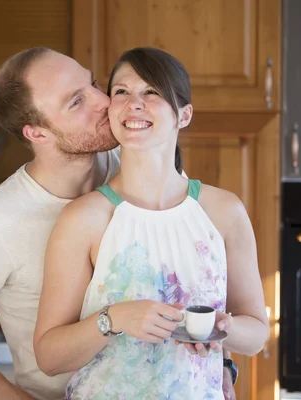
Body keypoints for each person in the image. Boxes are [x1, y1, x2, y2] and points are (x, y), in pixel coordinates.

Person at [0, 47, 238, 400]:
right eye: (76, 102)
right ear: (37, 133)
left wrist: (223, 364)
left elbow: (196, 277)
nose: (103, 100)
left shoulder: (135, 157)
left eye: (93, 83)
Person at [33, 48, 268, 399]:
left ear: (184, 115)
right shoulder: (84, 218)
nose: (134, 103)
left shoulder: (224, 211)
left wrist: (222, 329)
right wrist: (113, 319)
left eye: (152, 92)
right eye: (122, 92)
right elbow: (49, 356)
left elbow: (256, 335)